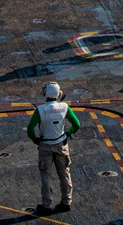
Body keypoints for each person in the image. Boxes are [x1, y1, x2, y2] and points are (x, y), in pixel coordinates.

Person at [27, 81, 80, 216]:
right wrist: (67, 133)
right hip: (61, 145)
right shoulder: (64, 107)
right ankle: (67, 201)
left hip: (45, 146)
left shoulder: (40, 110)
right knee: (64, 173)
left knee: (46, 176)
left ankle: (47, 205)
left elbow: (30, 129)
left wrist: (35, 140)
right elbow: (77, 124)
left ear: (46, 93)